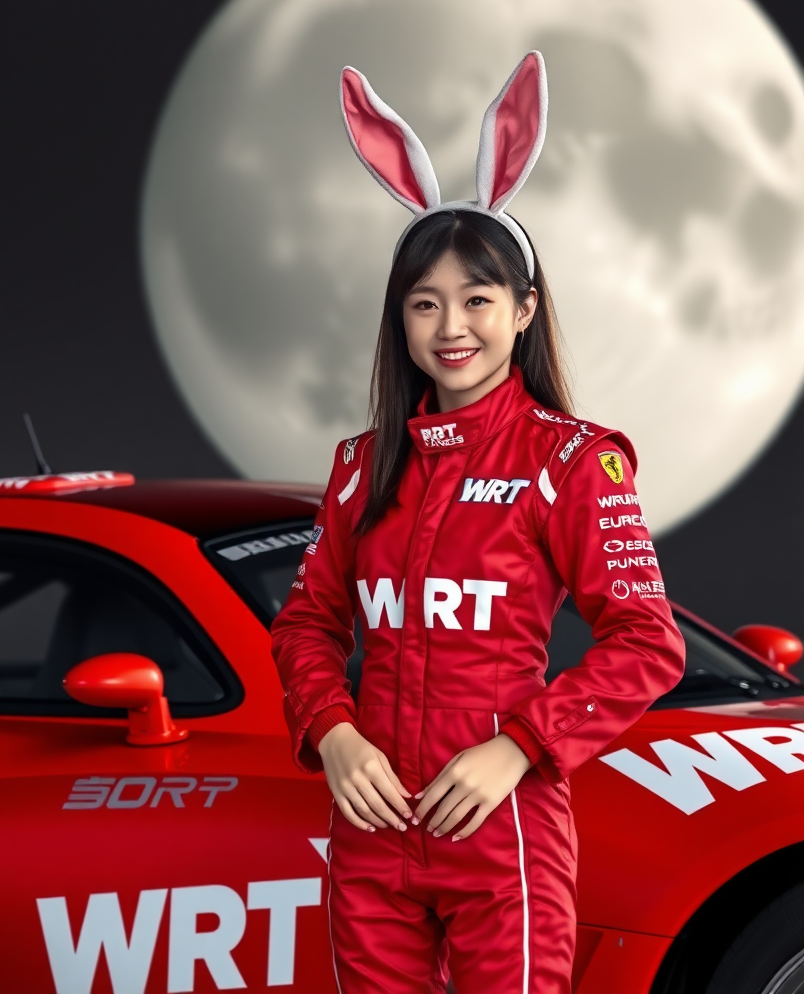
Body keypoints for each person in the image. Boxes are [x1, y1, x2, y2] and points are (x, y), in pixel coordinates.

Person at [270, 52, 686, 994]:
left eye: (477, 300)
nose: (449, 326)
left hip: (501, 831)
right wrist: (334, 734)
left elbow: (646, 642)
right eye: (424, 303)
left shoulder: (572, 461)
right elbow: (305, 625)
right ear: (400, 319)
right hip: (372, 834)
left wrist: (520, 748)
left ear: (525, 310)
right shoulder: (359, 468)